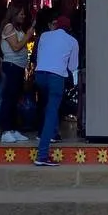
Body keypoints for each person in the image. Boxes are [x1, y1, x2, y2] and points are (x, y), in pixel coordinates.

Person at [34, 14, 79, 166]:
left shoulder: (44, 35)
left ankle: (49, 134)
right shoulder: (72, 41)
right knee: (52, 112)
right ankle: (42, 155)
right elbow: (73, 67)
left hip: (40, 75)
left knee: (46, 106)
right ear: (69, 29)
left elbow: (38, 57)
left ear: (56, 25)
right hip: (56, 78)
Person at [0, 2, 32, 141]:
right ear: (14, 14)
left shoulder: (17, 28)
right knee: (9, 98)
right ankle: (6, 131)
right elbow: (16, 47)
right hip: (11, 66)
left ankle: (14, 129)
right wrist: (28, 36)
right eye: (21, 14)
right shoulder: (9, 27)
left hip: (18, 67)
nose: (23, 16)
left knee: (16, 98)